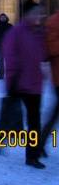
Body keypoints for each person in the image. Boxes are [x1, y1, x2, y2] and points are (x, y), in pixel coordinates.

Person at [2, 0, 47, 169]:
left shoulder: (38, 32)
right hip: (20, 82)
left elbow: (43, 54)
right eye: (35, 13)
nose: (39, 16)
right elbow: (11, 57)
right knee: (17, 118)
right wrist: (11, 80)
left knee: (34, 121)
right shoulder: (17, 32)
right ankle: (2, 138)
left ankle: (33, 155)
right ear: (27, 14)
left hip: (35, 83)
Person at [41, 10, 59, 154]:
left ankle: (40, 143)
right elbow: (50, 49)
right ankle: (40, 143)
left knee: (55, 114)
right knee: (54, 114)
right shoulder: (53, 22)